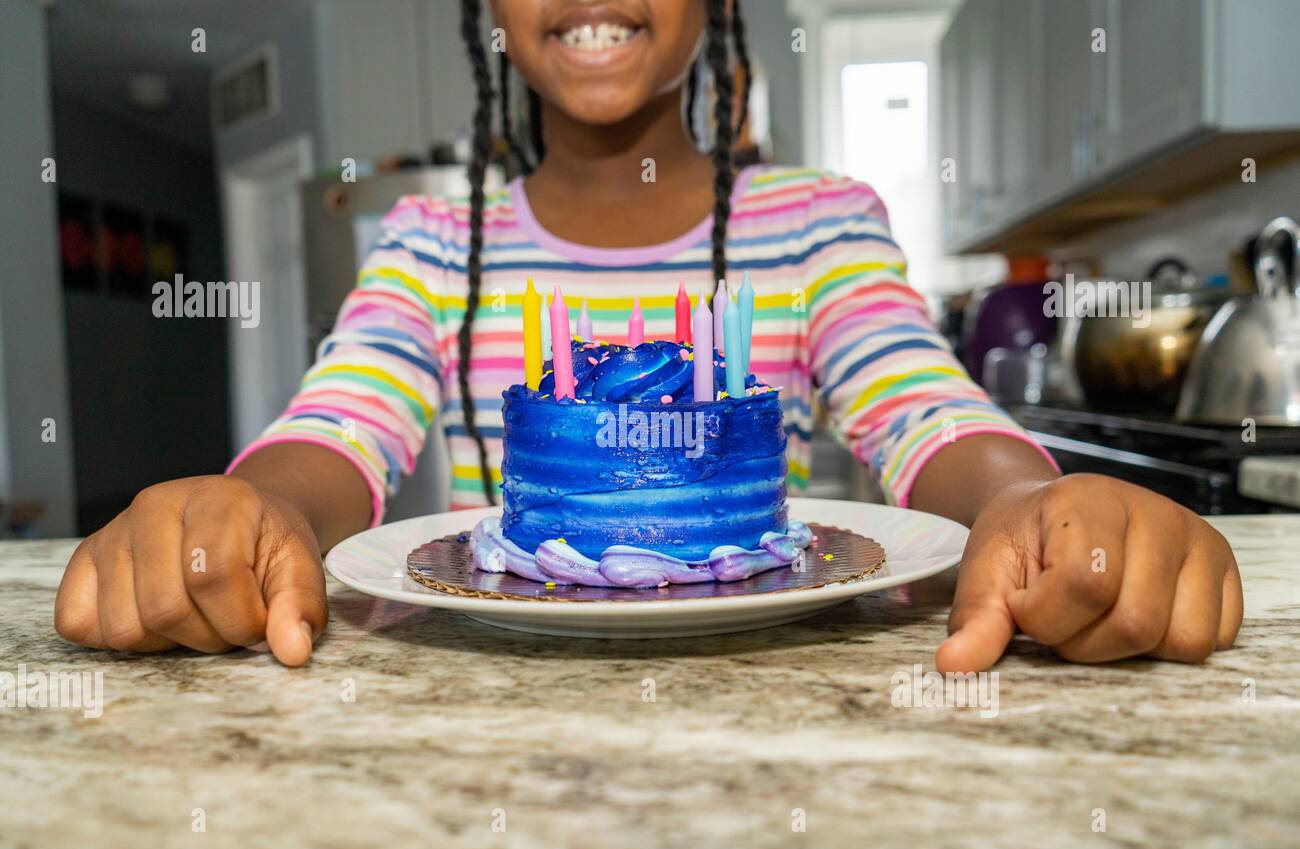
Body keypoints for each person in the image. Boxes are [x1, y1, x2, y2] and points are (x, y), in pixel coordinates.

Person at [54, 0, 1242, 669]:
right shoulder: (431, 236)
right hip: (497, 697)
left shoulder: (815, 222)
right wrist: (249, 502)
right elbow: (341, 421)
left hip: (774, 693)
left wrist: (1021, 506)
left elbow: (919, 402)